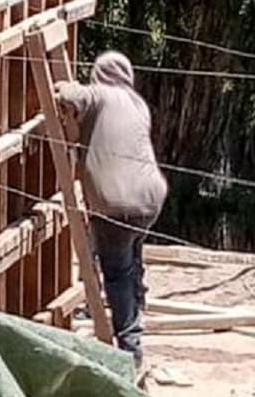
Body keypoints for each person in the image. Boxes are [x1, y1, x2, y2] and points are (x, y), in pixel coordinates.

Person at [54, 51, 169, 369]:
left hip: (115, 203)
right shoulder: (138, 104)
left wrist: (61, 84)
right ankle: (137, 309)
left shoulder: (100, 94)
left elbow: (67, 94)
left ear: (101, 74)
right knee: (130, 259)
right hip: (150, 198)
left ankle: (129, 350)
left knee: (116, 275)